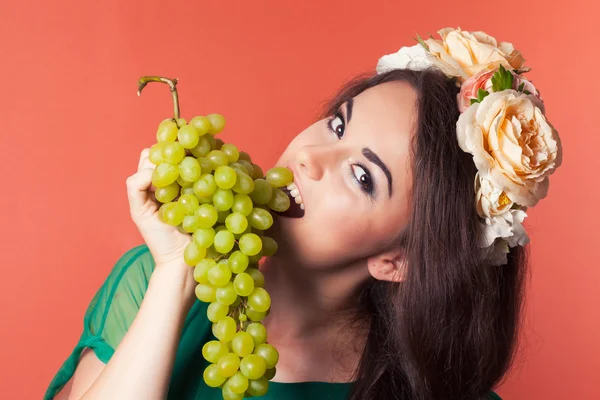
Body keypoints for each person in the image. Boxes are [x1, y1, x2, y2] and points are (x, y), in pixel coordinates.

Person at [44, 27, 562, 400]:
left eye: (362, 176)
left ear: (398, 260)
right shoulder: (150, 283)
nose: (309, 157)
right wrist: (175, 273)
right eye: (338, 126)